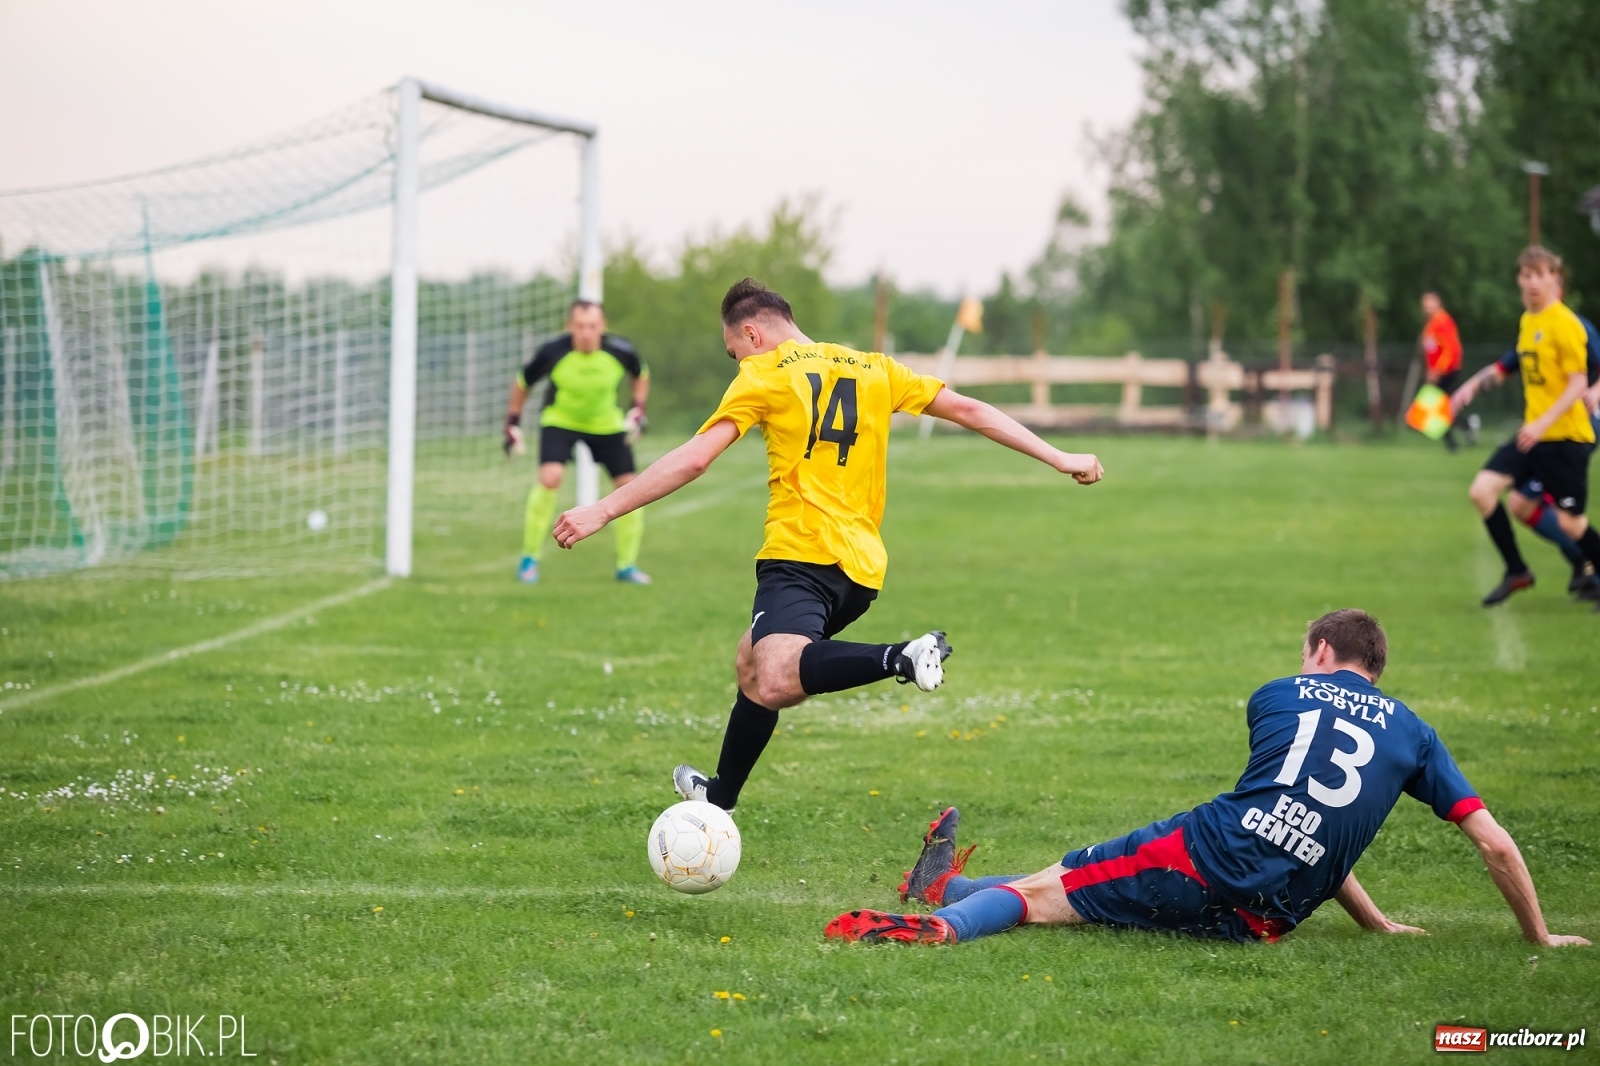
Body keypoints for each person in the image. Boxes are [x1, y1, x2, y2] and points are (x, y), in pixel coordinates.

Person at [552, 278, 1103, 812]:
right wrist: (1060, 456)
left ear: (751, 334)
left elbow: (696, 457)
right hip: (861, 570)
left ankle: (902, 657)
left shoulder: (763, 373)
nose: (737, 365)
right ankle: (720, 795)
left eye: (733, 353)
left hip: (800, 554)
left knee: (775, 675)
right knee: (752, 661)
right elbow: (970, 410)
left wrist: (603, 508)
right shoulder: (874, 367)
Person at [825, 610, 1589, 950]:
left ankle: (941, 926)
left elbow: (1278, 805)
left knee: (1047, 890)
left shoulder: (1277, 694)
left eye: (1305, 651)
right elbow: (1489, 843)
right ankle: (938, 888)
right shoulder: (1414, 734)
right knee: (1080, 900)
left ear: (1322, 650)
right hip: (1271, 915)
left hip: (1211, 856)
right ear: (1375, 668)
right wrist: (1539, 936)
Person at [1449, 247, 1600, 607]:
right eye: (1526, 275)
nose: (1532, 282)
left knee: (1571, 525)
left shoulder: (1567, 325)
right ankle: (1517, 570)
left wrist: (1544, 422)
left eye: (1540, 275)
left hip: (1566, 438)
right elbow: (1506, 366)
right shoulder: (1528, 322)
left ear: (1555, 279)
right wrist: (1468, 387)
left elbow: (1578, 383)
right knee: (1482, 491)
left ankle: (1586, 566)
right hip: (1534, 437)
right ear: (1519, 279)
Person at [504, 300, 651, 585]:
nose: (586, 332)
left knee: (630, 487)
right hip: (560, 422)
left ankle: (627, 566)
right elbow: (523, 382)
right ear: (570, 326)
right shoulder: (552, 352)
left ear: (602, 326)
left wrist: (638, 407)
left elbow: (640, 374)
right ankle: (529, 560)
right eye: (580, 326)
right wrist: (512, 423)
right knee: (550, 477)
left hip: (606, 424)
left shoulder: (620, 350)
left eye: (592, 326)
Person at [1418, 291, 1469, 450]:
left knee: (1439, 407)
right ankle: (1461, 431)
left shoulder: (1442, 321)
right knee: (1440, 407)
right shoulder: (1431, 323)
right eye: (1425, 303)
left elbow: (1450, 349)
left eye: (1430, 302)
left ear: (1438, 303)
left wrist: (1437, 370)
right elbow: (1431, 349)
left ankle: (1461, 432)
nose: (1427, 307)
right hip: (1438, 371)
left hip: (1448, 371)